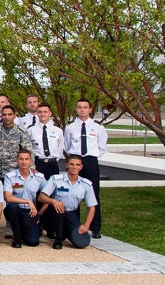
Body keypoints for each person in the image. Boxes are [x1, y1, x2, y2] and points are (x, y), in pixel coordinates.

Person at [63, 98, 107, 238]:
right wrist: (75, 158)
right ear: (76, 109)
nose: (82, 109)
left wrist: (90, 158)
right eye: (80, 107)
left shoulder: (98, 127)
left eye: (85, 107)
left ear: (90, 109)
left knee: (93, 193)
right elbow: (67, 145)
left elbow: (101, 146)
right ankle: (74, 224)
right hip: (75, 159)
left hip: (90, 161)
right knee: (71, 192)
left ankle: (95, 227)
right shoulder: (70, 127)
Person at [39, 155, 98, 249]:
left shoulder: (86, 184)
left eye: (77, 165)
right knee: (59, 211)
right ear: (66, 165)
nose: (74, 167)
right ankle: (57, 240)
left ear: (81, 167)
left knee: (81, 242)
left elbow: (92, 207)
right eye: (71, 164)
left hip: (71, 214)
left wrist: (86, 225)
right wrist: (54, 201)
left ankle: (62, 232)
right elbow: (41, 197)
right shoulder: (56, 179)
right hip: (54, 212)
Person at [4, 149, 47, 248]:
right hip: (16, 210)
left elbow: (47, 195)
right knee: (13, 207)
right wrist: (28, 201)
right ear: (17, 160)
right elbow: (8, 197)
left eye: (26, 159)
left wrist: (40, 213)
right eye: (21, 159)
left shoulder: (39, 177)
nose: (24, 162)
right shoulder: (10, 176)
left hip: (30, 212)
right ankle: (17, 237)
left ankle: (26, 229)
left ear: (31, 161)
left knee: (33, 242)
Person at [0, 105, 33, 179]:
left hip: (14, 172)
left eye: (10, 114)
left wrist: (30, 167)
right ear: (1, 116)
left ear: (14, 116)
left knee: (15, 190)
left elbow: (28, 151)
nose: (7, 117)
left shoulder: (21, 131)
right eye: (4, 114)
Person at [28, 103, 64, 179]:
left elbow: (60, 149)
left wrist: (53, 160)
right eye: (40, 112)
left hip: (53, 164)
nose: (42, 114)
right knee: (37, 188)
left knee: (53, 188)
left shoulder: (58, 130)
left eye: (45, 112)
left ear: (50, 113)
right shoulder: (31, 130)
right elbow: (28, 149)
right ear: (37, 113)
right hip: (38, 164)